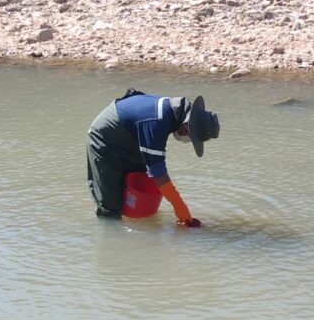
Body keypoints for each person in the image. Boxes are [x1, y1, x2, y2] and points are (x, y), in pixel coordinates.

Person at [87, 89, 220, 226]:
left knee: (141, 178)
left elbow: (154, 168)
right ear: (187, 126)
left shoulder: (172, 111)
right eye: (191, 136)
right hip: (104, 140)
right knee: (110, 207)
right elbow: (158, 172)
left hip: (128, 137)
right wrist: (179, 206)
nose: (187, 138)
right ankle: (109, 230)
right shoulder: (157, 121)